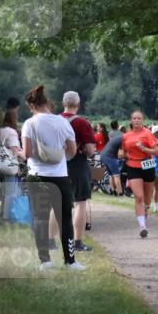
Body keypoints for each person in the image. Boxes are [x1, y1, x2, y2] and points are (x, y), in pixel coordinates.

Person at [20, 84, 83, 271]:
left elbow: (28, 153)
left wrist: (17, 153)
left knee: (40, 219)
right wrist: (60, 156)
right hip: (60, 175)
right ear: (47, 103)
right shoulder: (63, 122)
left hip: (37, 176)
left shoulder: (29, 124)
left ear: (31, 106)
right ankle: (70, 261)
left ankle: (45, 261)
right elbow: (72, 151)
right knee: (65, 218)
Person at [60, 91, 96, 253]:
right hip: (77, 165)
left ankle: (52, 239)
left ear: (63, 103)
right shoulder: (82, 123)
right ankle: (77, 242)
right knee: (80, 203)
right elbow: (90, 151)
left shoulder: (55, 120)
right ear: (78, 104)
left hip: (57, 165)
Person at [121, 110, 158, 238]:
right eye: (134, 118)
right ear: (131, 121)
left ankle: (145, 214)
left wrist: (143, 149)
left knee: (147, 198)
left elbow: (156, 151)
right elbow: (124, 151)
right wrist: (122, 154)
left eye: (139, 118)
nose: (136, 120)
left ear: (142, 120)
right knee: (139, 196)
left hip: (147, 165)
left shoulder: (147, 133)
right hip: (132, 165)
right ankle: (142, 227)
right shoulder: (126, 136)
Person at [0, 109, 24, 221]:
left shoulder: (0, 131)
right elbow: (14, 150)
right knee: (11, 191)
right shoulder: (11, 132)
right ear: (14, 119)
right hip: (9, 165)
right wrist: (18, 164)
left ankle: (1, 215)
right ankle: (9, 217)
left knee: (3, 192)